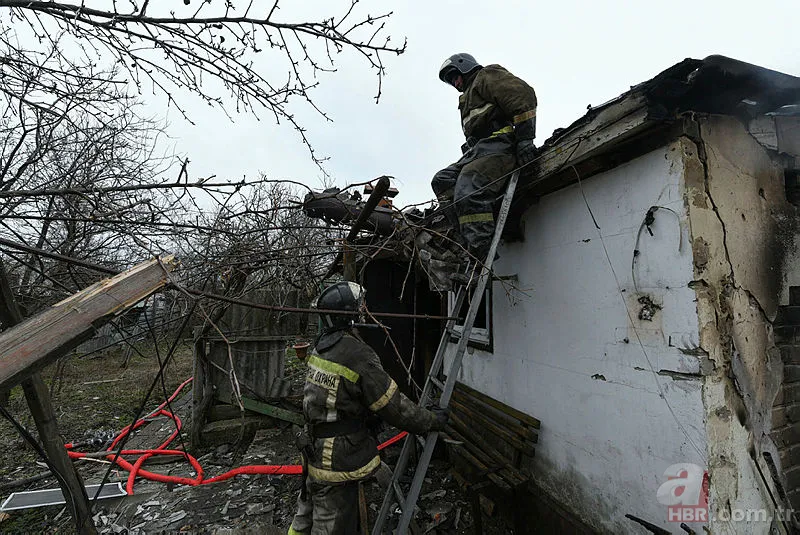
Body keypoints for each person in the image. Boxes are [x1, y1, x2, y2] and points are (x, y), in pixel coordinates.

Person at [288, 281, 448, 535]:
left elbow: (333, 397)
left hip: (314, 450)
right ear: (349, 314)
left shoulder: (321, 347)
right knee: (332, 525)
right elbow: (393, 406)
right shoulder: (357, 354)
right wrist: (430, 420)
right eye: (360, 307)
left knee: (304, 519)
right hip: (338, 461)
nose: (364, 311)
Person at [431, 53, 538, 264]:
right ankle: (466, 238)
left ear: (464, 67)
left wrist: (525, 139)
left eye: (455, 77)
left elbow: (522, 95)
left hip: (501, 146)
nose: (455, 83)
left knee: (468, 185)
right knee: (441, 180)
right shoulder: (466, 99)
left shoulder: (486, 76)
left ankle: (480, 252)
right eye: (451, 81)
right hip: (478, 152)